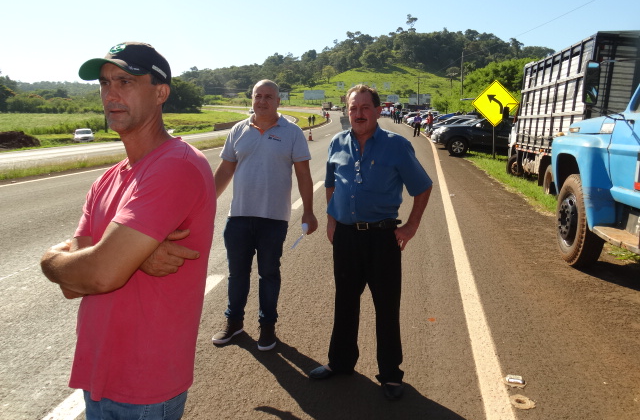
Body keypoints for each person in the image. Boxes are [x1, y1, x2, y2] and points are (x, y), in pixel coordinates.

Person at [40, 42, 216, 418]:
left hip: (145, 387)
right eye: (105, 83)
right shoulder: (104, 181)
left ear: (161, 92)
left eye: (126, 81)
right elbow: (73, 285)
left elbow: (100, 274)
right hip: (97, 374)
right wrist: (126, 257)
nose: (111, 94)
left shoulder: (176, 165)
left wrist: (51, 260)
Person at [308, 84, 432, 401]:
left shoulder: (396, 145)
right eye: (353, 108)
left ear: (378, 111)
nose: (359, 113)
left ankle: (390, 375)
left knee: (386, 308)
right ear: (347, 112)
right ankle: (340, 362)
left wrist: (411, 226)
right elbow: (331, 185)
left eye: (365, 107)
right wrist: (332, 221)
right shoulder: (337, 142)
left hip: (382, 238)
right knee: (345, 303)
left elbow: (422, 186)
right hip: (346, 237)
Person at [211, 79, 318, 351]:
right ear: (252, 99)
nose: (262, 101)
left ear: (278, 101)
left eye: (268, 96)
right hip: (238, 217)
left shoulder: (292, 132)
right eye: (258, 96)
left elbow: (303, 175)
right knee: (237, 274)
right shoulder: (238, 130)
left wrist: (308, 211)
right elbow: (225, 171)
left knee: (269, 274)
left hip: (273, 219)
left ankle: (267, 326)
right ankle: (234, 322)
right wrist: (205, 203)